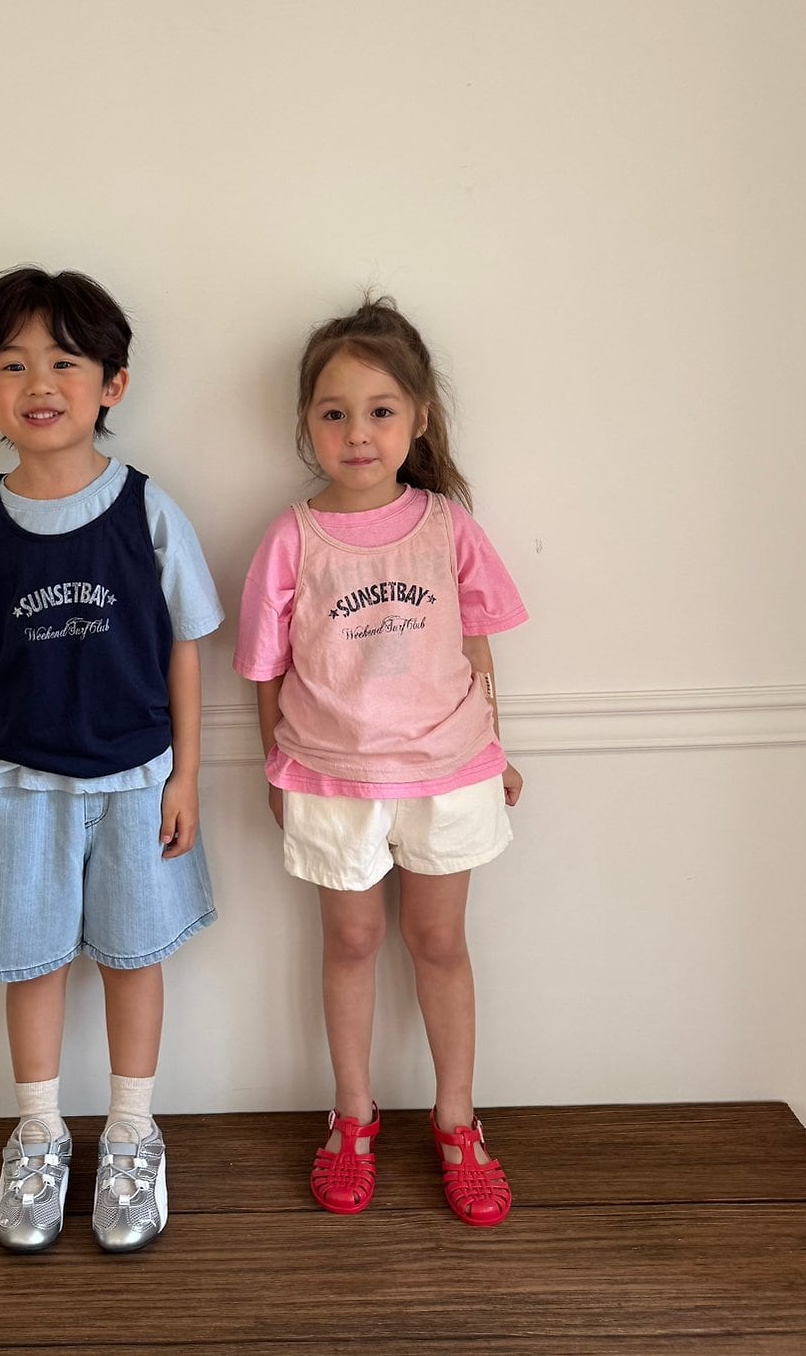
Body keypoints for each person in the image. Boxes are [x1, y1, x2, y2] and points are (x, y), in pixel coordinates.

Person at [0, 265, 222, 1255]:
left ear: (111, 384)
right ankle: (40, 1133)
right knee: (34, 958)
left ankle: (132, 1131)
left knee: (134, 955)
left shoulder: (147, 509)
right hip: (17, 786)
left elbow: (186, 644)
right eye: (11, 365)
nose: (39, 382)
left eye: (64, 361)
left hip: (136, 779)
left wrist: (184, 775)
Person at [234, 295, 526, 1226]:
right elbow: (265, 671)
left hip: (450, 772)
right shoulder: (291, 538)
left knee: (440, 944)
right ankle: (352, 1116)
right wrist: (274, 769)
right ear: (307, 424)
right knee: (352, 944)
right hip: (331, 780)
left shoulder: (448, 526)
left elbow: (477, 645)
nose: (357, 432)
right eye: (335, 412)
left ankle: (457, 1122)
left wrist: (496, 748)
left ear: (419, 419)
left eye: (380, 410)